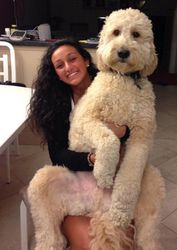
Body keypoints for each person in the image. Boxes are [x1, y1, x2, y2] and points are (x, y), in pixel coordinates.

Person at [28, 39, 131, 250]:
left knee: (119, 242)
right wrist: (93, 159)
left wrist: (123, 131)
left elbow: (136, 128)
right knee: (88, 242)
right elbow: (58, 155)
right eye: (60, 65)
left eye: (72, 59)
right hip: (73, 179)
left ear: (85, 60)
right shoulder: (55, 102)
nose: (68, 68)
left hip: (114, 178)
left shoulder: (111, 88)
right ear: (55, 73)